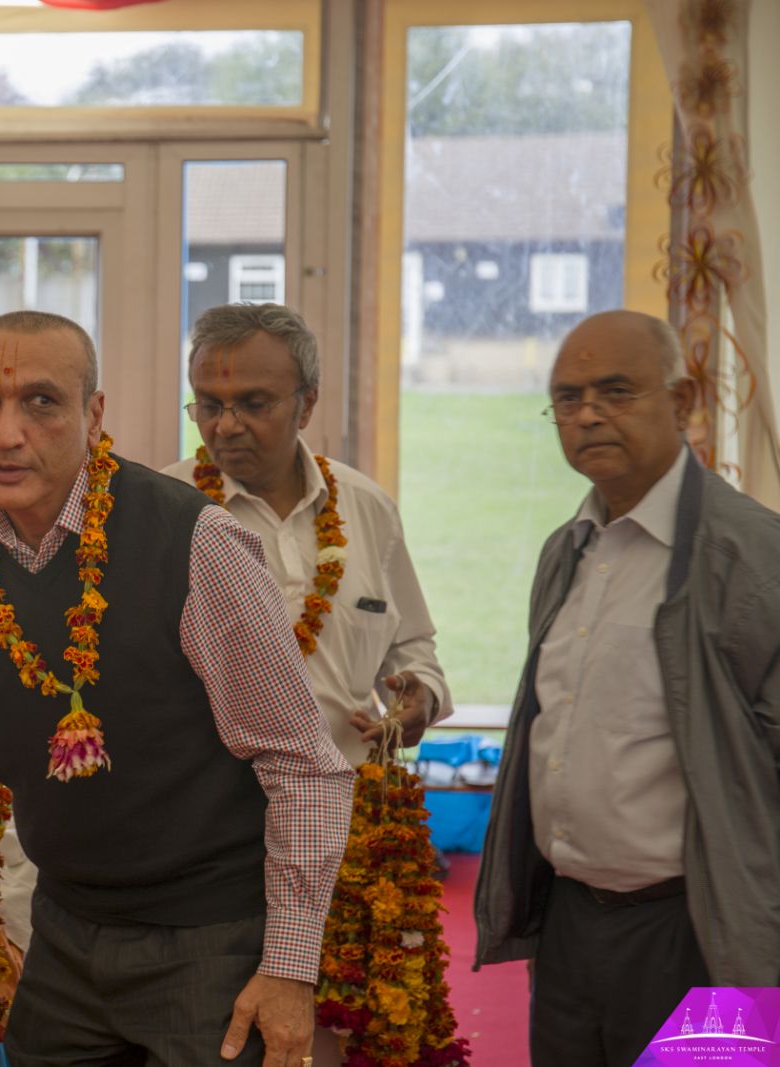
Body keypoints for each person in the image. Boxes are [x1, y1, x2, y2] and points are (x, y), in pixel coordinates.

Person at [0, 310, 354, 1067]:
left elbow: (303, 765)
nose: (6, 434)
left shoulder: (193, 540)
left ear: (93, 414)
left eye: (40, 401)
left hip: (213, 937)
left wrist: (290, 966)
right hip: (65, 929)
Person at [475, 309, 780, 1066]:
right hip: (575, 922)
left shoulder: (756, 558)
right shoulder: (568, 549)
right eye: (567, 397)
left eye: (615, 390)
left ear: (683, 402)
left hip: (703, 930)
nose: (587, 414)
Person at [160, 303, 451, 763]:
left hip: (351, 806)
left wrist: (422, 694)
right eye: (210, 405)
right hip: (209, 818)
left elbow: (410, 644)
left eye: (254, 404)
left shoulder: (366, 507)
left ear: (307, 404)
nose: (227, 426)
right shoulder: (163, 510)